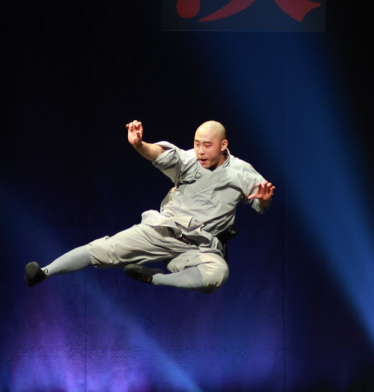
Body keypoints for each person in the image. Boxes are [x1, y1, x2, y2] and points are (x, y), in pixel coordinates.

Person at [24, 120, 275, 292]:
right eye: (197, 143)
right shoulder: (188, 159)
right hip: (162, 231)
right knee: (104, 249)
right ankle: (43, 272)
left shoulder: (241, 171)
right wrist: (139, 145)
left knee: (218, 274)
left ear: (223, 145)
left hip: (200, 246)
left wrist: (264, 199)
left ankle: (155, 278)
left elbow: (260, 204)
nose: (200, 150)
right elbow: (163, 154)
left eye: (207, 145)